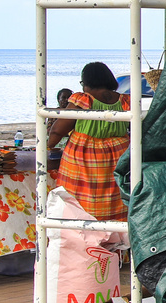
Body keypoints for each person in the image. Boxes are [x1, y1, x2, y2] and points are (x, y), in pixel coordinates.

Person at [47, 62, 129, 221]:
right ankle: (114, 236)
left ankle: (84, 236)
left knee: (79, 201)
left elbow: (59, 129)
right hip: (118, 156)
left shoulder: (83, 99)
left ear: (87, 82)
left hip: (83, 157)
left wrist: (48, 144)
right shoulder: (124, 100)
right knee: (114, 197)